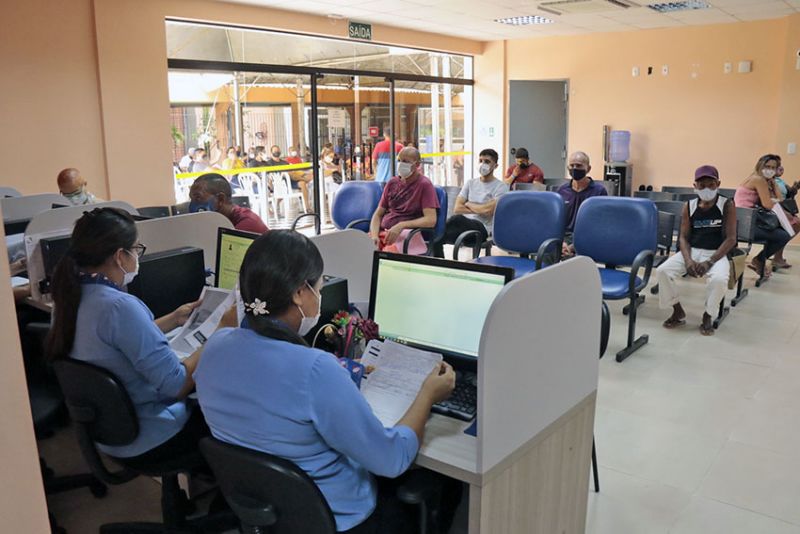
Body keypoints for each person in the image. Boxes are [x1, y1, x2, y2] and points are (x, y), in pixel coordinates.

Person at [194, 230, 456, 534]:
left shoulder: (215, 346)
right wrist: (427, 394)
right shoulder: (314, 370)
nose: (321, 293)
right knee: (444, 486)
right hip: (339, 520)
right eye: (319, 284)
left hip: (269, 510)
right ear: (299, 293)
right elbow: (392, 459)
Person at [44, 207, 236, 465]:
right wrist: (221, 329)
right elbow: (176, 385)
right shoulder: (120, 307)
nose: (137, 256)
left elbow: (110, 344)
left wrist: (174, 319)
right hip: (153, 436)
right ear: (119, 257)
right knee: (229, 415)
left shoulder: (67, 298)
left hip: (110, 430)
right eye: (136, 249)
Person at [656, 166, 736, 336]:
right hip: (692, 251)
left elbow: (731, 239)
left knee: (720, 280)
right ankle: (677, 310)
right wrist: (688, 261)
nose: (706, 188)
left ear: (718, 184)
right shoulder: (689, 206)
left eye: (711, 184)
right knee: (663, 271)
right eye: (702, 185)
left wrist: (710, 261)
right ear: (695, 186)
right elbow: (683, 237)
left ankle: (708, 315)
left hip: (716, 253)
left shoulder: (726, 204)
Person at [369, 147, 439, 252]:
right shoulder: (392, 183)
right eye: (399, 160)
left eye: (406, 161)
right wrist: (374, 236)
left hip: (408, 236)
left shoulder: (424, 185)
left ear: (417, 165)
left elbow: (430, 220)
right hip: (383, 232)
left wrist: (401, 225)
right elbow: (378, 214)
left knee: (387, 255)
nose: (401, 164)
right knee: (360, 249)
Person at [734, 154, 793, 277]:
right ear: (760, 165)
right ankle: (759, 260)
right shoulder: (758, 179)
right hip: (745, 225)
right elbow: (768, 204)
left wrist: (773, 183)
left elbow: (780, 199)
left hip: (748, 220)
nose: (770, 170)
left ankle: (760, 261)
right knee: (784, 235)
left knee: (784, 230)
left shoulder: (761, 180)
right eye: (767, 166)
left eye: (773, 168)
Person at [440, 149, 508, 256]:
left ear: (495, 166)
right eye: (480, 160)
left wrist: (468, 203)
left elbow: (487, 211)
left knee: (455, 220)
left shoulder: (501, 187)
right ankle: (438, 257)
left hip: (483, 228)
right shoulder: (470, 183)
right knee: (442, 230)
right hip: (463, 226)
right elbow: (457, 208)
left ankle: (436, 252)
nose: (482, 164)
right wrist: (480, 208)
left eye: (487, 161)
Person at [557, 151, 608, 257]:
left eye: (579, 165)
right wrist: (562, 243)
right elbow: (556, 221)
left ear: (588, 169)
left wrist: (574, 246)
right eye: (572, 165)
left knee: (576, 259)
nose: (575, 168)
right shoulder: (561, 191)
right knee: (548, 251)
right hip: (565, 237)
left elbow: (600, 224)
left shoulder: (599, 192)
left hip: (588, 236)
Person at [189, 173, 268, 234]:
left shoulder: (246, 225)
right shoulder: (219, 221)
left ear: (220, 199)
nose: (192, 205)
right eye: (191, 199)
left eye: (198, 198)